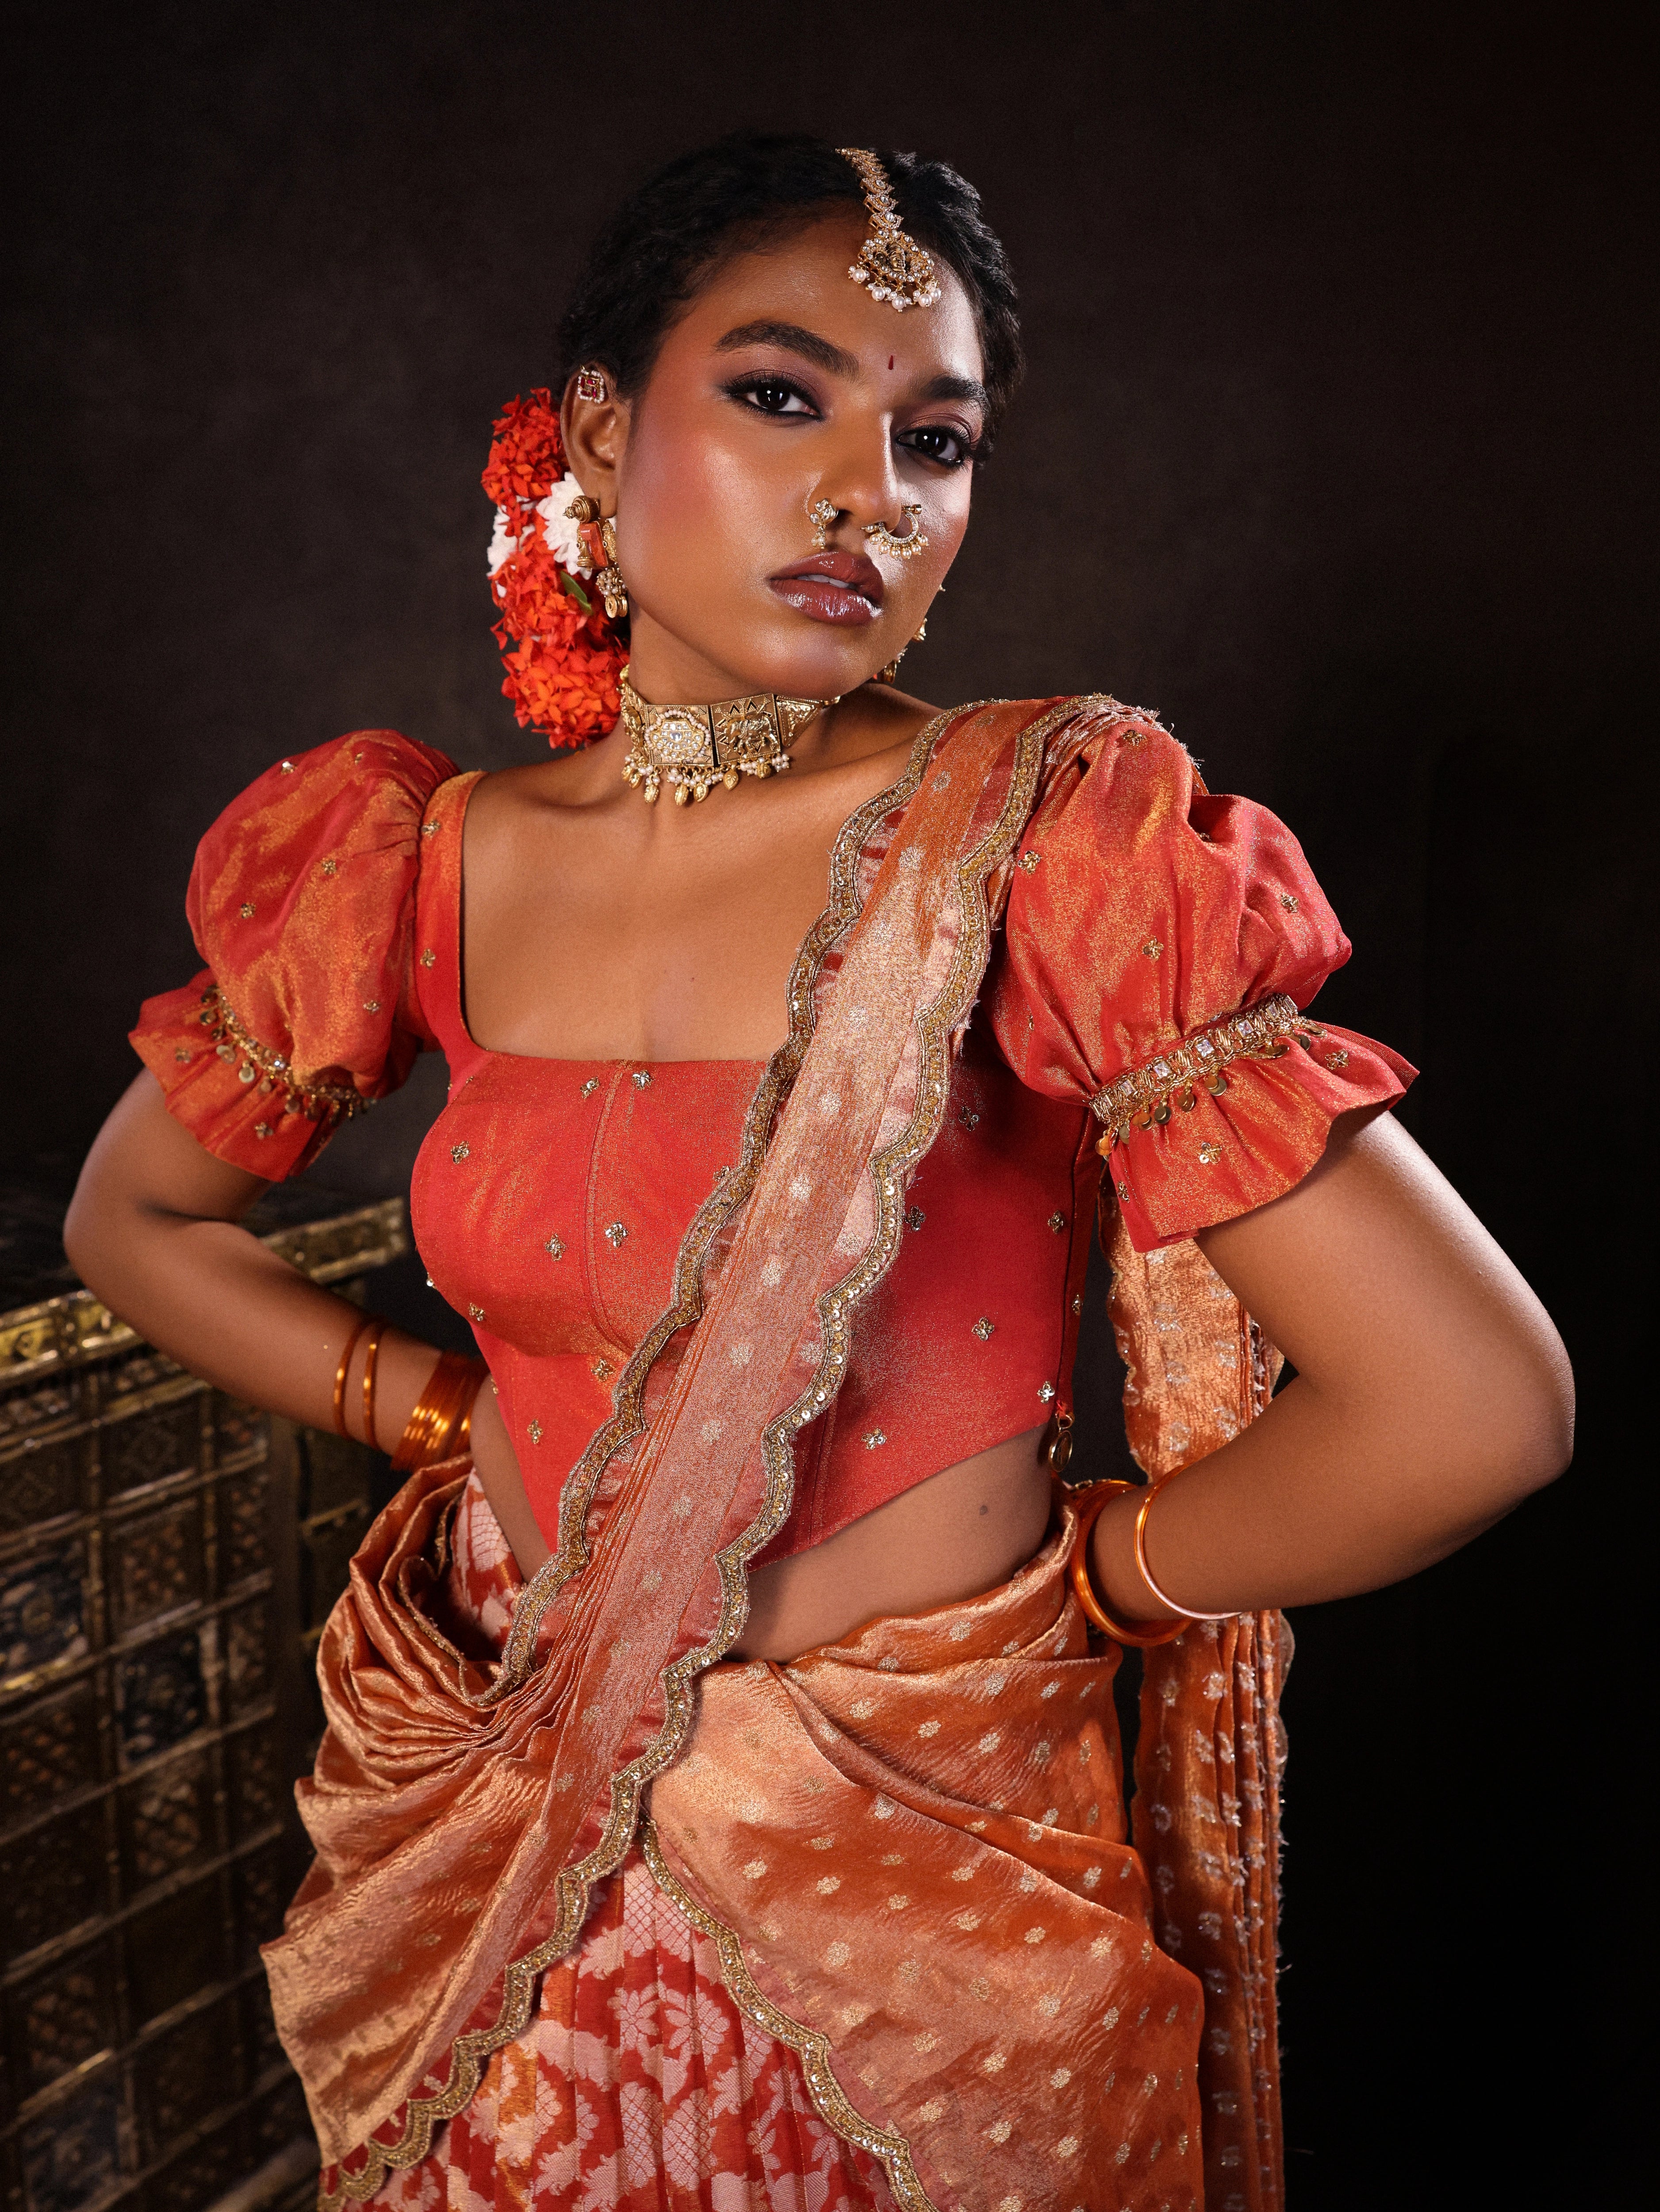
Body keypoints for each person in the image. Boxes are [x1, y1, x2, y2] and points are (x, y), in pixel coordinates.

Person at [65, 134, 1572, 2212]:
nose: (874, 489)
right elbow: (128, 1222)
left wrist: (1106, 1582)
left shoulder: (1047, 844)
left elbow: (1476, 1404)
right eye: (784, 396)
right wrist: (427, 1405)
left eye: (935, 438)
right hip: (519, 1841)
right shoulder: (428, 858)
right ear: (600, 422)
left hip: (927, 1869)